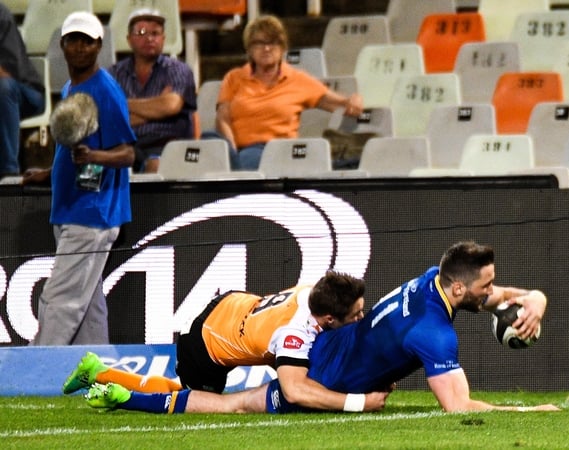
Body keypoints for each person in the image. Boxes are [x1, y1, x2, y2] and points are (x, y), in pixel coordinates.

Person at [85, 241, 559, 413]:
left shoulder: (429, 279)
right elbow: (457, 407)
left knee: (230, 403)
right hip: (216, 342)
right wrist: (524, 413)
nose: (493, 291)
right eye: (487, 285)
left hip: (236, 311)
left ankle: (112, 383)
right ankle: (118, 388)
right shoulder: (434, 334)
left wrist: (532, 297)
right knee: (228, 407)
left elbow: (485, 297)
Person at [22, 12, 136, 345]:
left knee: (60, 301)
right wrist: (48, 174)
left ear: (99, 45)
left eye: (87, 41)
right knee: (88, 307)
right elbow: (73, 152)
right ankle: (94, 371)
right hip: (73, 208)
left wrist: (95, 157)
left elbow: (128, 153)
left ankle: (38, 373)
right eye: (73, 40)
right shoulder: (73, 86)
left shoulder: (105, 91)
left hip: (92, 214)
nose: (79, 47)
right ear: (63, 44)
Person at [213, 14, 363, 170]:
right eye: (259, 43)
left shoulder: (297, 79)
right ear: (249, 49)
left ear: (283, 47)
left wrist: (354, 99)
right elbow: (223, 119)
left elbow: (339, 103)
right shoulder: (234, 78)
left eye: (273, 42)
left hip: (285, 150)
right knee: (211, 143)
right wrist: (232, 154)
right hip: (246, 151)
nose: (266, 48)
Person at [108, 8, 197, 173]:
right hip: (124, 145)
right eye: (141, 32)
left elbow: (170, 106)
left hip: (166, 145)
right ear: (129, 39)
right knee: (92, 167)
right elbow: (108, 118)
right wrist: (156, 110)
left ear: (163, 39)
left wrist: (122, 103)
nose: (149, 38)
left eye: (155, 33)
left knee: (156, 164)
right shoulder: (113, 74)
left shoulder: (178, 70)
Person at [0, 2, 45, 176]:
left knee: (3, 88)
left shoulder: (1, 14)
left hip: (26, 91)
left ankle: (9, 172)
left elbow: (7, 73)